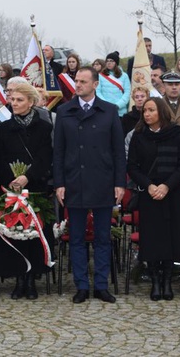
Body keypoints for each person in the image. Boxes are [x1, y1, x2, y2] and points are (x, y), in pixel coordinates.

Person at [53, 66, 126, 304]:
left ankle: (102, 285)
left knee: (103, 238)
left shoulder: (109, 111)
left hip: (103, 182)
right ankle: (82, 286)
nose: (78, 84)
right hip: (74, 182)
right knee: (76, 238)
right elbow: (59, 152)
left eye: (83, 81)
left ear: (95, 84)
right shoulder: (65, 111)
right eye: (77, 81)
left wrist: (119, 183)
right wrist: (59, 183)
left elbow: (118, 152)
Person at [0, 81, 53, 300]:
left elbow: (45, 157)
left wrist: (28, 177)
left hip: (35, 187)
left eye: (19, 100)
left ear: (31, 101)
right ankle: (19, 278)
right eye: (12, 99)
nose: (14, 103)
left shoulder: (45, 127)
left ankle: (32, 278)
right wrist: (11, 180)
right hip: (11, 189)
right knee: (15, 232)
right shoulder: (4, 128)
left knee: (34, 234)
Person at [127, 97, 180, 301]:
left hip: (171, 194)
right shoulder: (139, 136)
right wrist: (150, 185)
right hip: (149, 195)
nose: (146, 114)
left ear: (161, 112)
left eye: (151, 110)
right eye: (145, 110)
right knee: (152, 239)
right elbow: (133, 167)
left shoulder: (177, 133)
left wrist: (166, 186)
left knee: (171, 237)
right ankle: (154, 280)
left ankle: (167, 281)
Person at [96, 52, 131, 116]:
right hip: (105, 110)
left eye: (111, 61)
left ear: (116, 63)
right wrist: (106, 105)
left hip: (120, 112)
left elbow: (127, 93)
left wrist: (118, 105)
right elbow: (98, 92)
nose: (109, 63)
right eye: (107, 61)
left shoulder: (124, 76)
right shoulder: (100, 76)